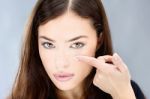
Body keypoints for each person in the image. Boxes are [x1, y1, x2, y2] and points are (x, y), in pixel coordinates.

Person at [8, 0, 146, 99]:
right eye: (48, 45)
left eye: (76, 44)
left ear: (99, 40)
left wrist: (122, 94)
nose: (61, 63)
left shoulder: (126, 91)